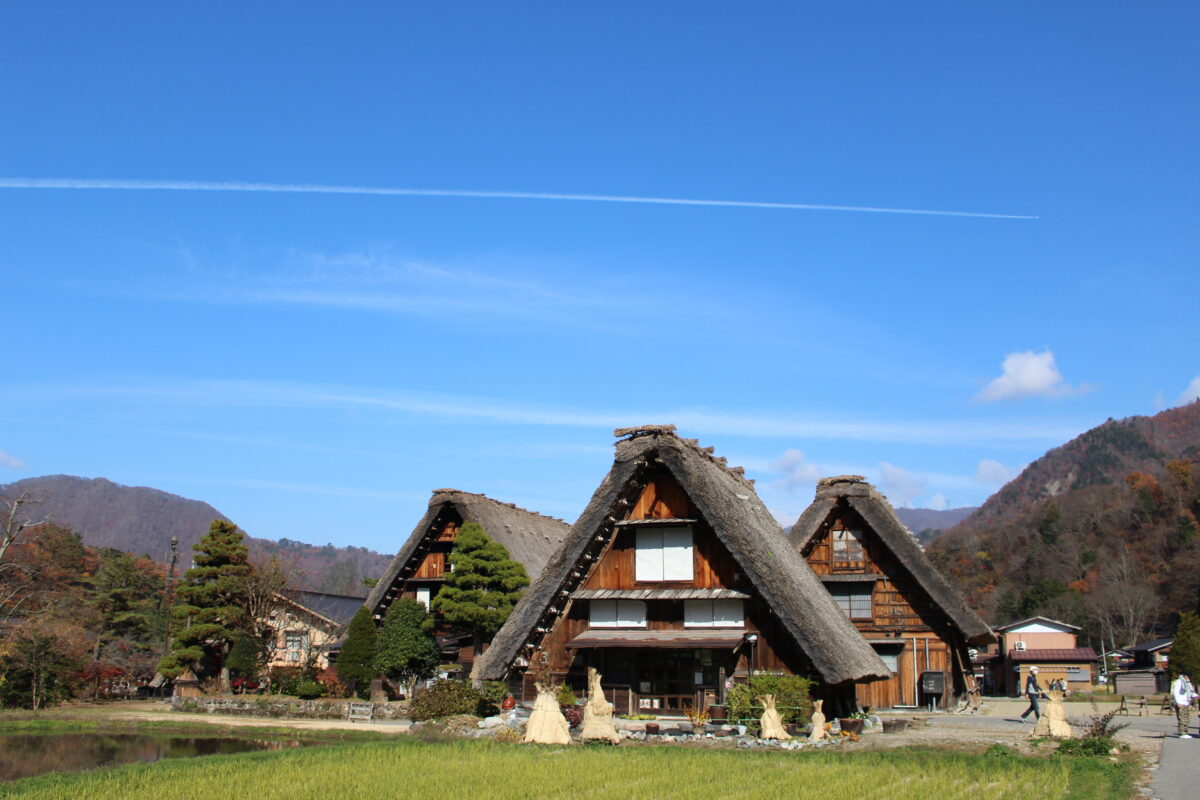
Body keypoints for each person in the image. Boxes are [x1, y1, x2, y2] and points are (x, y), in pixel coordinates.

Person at [1171, 672, 1197, 739]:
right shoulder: (1179, 682)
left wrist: (1196, 695)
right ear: (1185, 676)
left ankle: (1183, 732)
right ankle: (1183, 733)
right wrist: (1178, 702)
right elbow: (1176, 693)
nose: (1188, 678)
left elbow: (1190, 692)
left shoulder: (1187, 683)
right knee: (1183, 718)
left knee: (1186, 718)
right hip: (1181, 703)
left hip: (1186, 703)